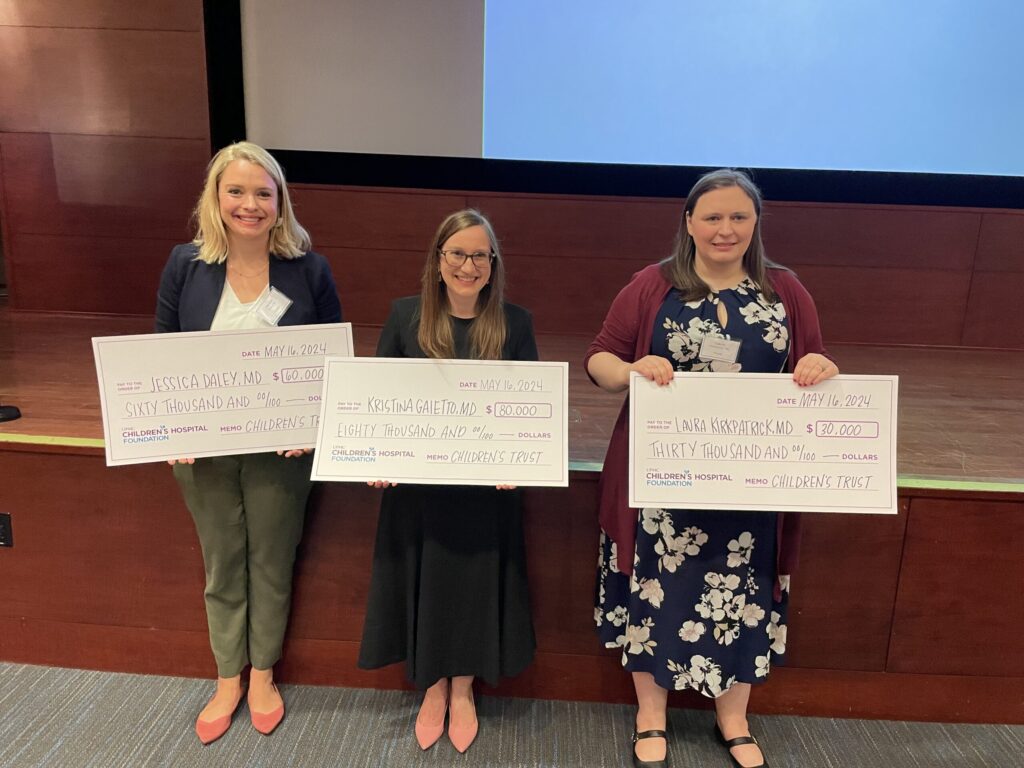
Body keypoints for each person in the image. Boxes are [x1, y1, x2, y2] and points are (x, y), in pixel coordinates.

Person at [586, 169, 837, 768]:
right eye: (713, 217)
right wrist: (631, 370)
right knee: (655, 588)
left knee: (745, 592)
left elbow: (817, 358)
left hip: (750, 485)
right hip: (661, 481)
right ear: (689, 223)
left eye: (738, 217)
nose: (725, 229)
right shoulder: (652, 286)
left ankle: (734, 717)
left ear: (755, 224)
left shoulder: (785, 291)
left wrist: (819, 367)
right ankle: (652, 714)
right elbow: (598, 359)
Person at [155, 141, 342, 744]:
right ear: (215, 197)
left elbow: (334, 360)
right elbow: (163, 356)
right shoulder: (185, 265)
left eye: (264, 192)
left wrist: (312, 421)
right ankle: (226, 676)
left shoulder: (309, 268)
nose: (250, 204)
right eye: (236, 191)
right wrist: (171, 425)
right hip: (204, 448)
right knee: (222, 562)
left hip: (281, 450)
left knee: (270, 560)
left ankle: (263, 674)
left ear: (281, 201)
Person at [358, 209, 537, 754]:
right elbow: (378, 403)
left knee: (473, 586)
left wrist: (518, 461)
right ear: (438, 261)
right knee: (428, 581)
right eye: (457, 253)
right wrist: (377, 455)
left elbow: (528, 413)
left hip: (487, 495)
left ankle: (464, 689)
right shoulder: (404, 317)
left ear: (492, 265)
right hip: (418, 493)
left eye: (479, 255)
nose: (467, 265)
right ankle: (432, 686)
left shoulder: (515, 323)